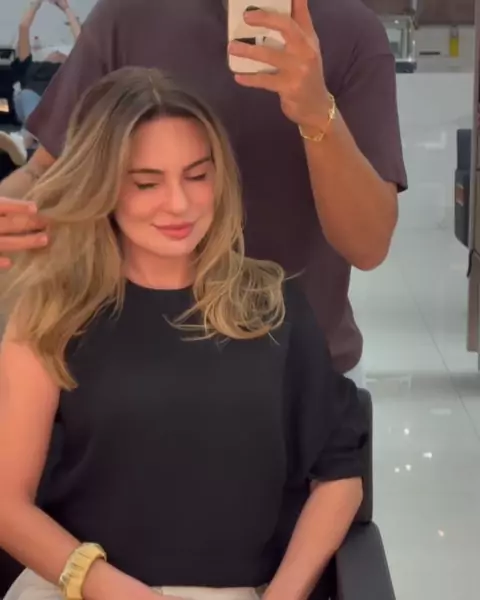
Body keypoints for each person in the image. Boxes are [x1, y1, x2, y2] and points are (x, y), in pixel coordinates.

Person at [0, 66, 366, 600]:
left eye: (197, 176)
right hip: (82, 587)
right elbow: (8, 504)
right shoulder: (52, 313)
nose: (179, 203)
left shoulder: (272, 305)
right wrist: (115, 590)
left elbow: (339, 474)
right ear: (102, 186)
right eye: (146, 183)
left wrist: (282, 595)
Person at [0, 0, 408, 386]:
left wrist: (317, 113)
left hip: (302, 373)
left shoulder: (351, 32)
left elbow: (368, 245)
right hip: (135, 369)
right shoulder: (129, 15)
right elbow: (47, 171)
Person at [0, 0, 81, 166]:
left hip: (57, 106)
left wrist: (67, 9)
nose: (57, 52)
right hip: (32, 100)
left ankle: (27, 139)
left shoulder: (71, 69)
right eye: (53, 52)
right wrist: (35, 4)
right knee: (28, 97)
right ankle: (32, 137)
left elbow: (83, 42)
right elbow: (23, 28)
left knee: (64, 102)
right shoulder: (30, 66)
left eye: (62, 53)